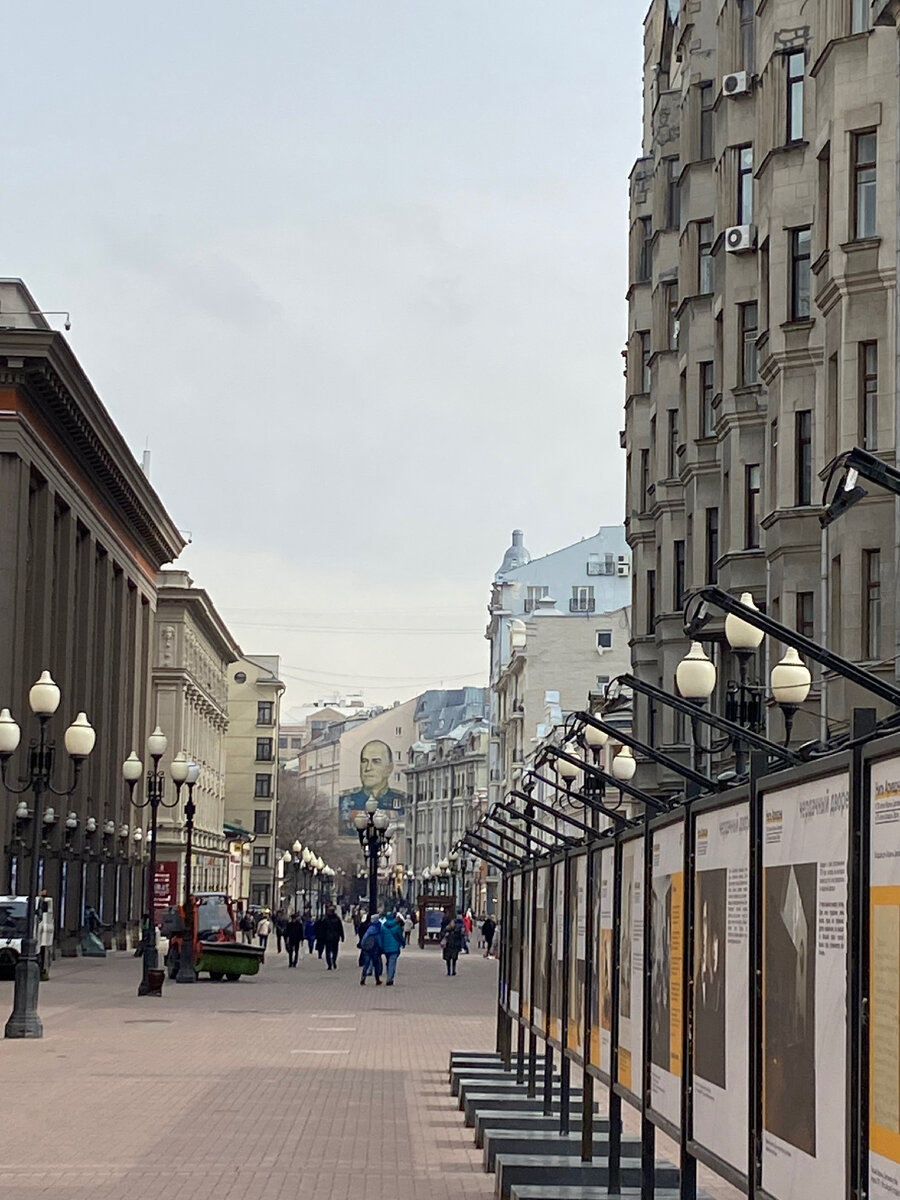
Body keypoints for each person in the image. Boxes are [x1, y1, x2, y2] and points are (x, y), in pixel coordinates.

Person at [339, 740, 406, 835]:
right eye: (364, 761)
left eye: (376, 761)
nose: (368, 768)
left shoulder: (403, 801)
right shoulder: (344, 801)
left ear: (389, 768)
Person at [380, 910, 404, 986]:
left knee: (388, 962)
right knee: (392, 963)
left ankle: (388, 975)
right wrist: (403, 943)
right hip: (394, 948)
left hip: (386, 948)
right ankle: (390, 979)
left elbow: (381, 937)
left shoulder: (383, 927)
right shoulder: (397, 927)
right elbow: (400, 937)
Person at [358, 917, 383, 985]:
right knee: (376, 964)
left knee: (366, 964)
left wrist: (363, 945)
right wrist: (381, 947)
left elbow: (364, 938)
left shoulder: (370, 928)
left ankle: (363, 978)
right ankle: (377, 979)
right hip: (375, 949)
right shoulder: (378, 929)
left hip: (367, 948)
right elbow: (379, 940)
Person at [320, 905, 345, 970]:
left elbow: (322, 929)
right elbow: (340, 928)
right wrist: (342, 936)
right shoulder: (337, 918)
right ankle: (333, 960)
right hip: (335, 937)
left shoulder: (325, 919)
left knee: (328, 951)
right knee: (335, 950)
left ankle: (329, 964)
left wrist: (321, 938)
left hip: (327, 937)